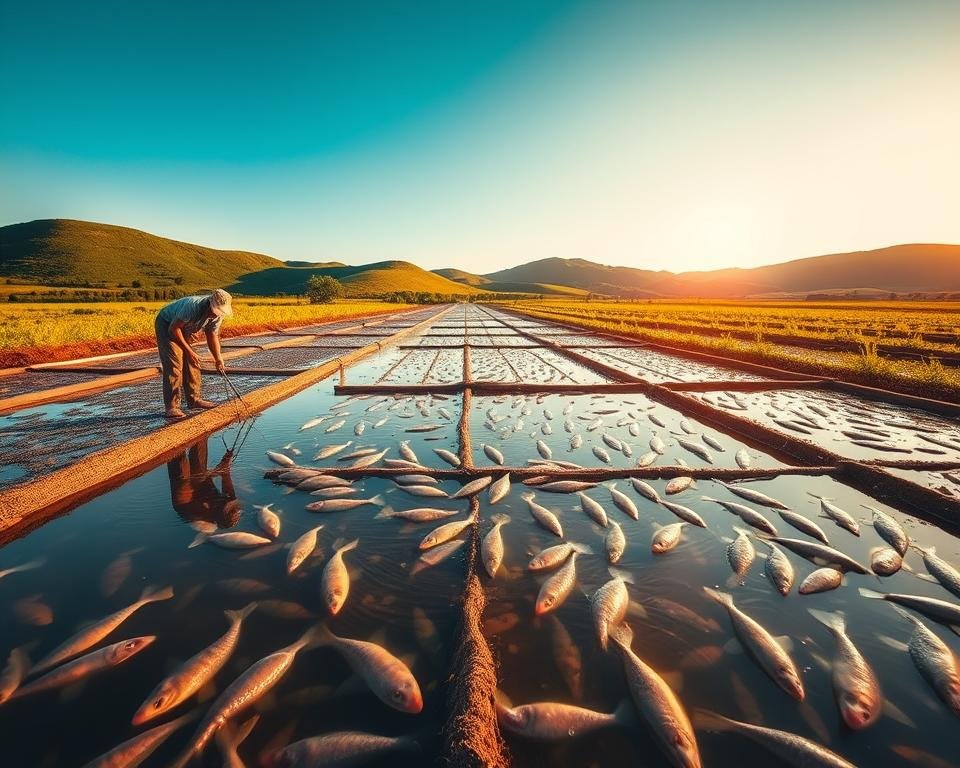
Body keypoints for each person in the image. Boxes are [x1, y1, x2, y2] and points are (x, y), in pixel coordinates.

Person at [154, 288, 232, 418]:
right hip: (167, 324)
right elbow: (174, 329)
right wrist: (189, 351)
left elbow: (212, 335)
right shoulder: (193, 306)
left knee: (193, 362)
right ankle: (171, 407)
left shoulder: (217, 316)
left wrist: (218, 358)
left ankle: (194, 400)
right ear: (209, 304)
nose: (216, 315)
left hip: (185, 328)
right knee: (175, 364)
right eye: (214, 311)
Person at [167, 436, 241, 529]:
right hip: (203, 488)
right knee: (200, 449)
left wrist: (213, 473)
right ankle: (197, 431)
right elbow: (225, 473)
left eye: (227, 505)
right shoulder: (231, 501)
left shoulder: (203, 514)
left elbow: (203, 480)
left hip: (186, 501)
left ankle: (173, 438)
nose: (230, 501)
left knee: (179, 464)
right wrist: (225, 462)